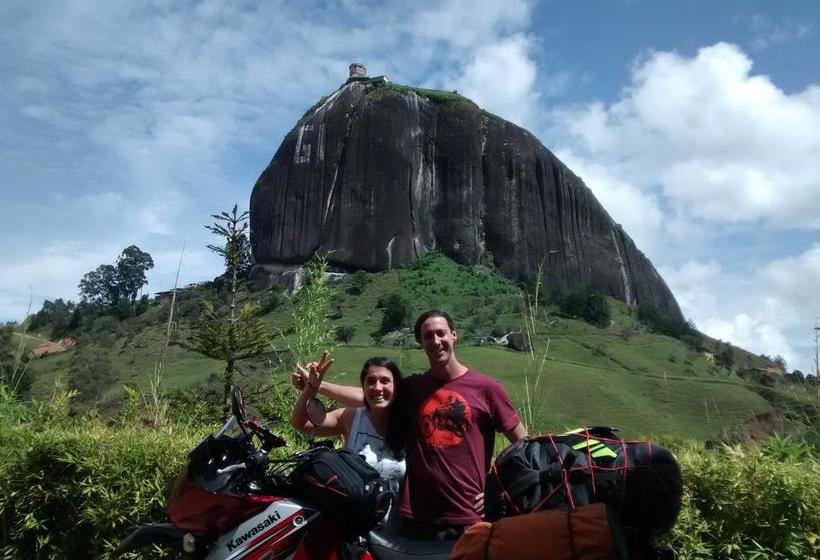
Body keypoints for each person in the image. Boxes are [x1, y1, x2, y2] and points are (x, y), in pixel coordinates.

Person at [293, 310, 527, 539]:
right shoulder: (414, 388)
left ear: (454, 335)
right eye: (428, 336)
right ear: (420, 342)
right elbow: (371, 395)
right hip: (416, 520)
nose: (435, 341)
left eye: (441, 333)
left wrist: (502, 488)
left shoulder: (487, 388)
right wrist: (316, 387)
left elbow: (524, 445)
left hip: (471, 517)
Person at [291, 353, 406, 498]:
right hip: (353, 518)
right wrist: (311, 387)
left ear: (396, 386)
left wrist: (322, 386)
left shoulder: (409, 420)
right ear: (363, 386)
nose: (377, 387)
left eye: (385, 381)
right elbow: (302, 424)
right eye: (370, 381)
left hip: (398, 520)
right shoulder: (351, 417)